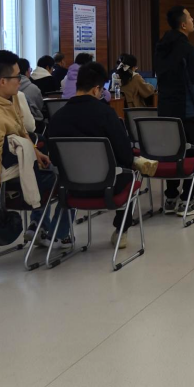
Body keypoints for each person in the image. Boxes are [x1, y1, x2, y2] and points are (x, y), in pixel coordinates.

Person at [47, 62, 158, 250]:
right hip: (107, 187)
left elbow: (54, 158)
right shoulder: (106, 114)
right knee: (131, 173)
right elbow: (124, 153)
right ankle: (121, 230)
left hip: (69, 189)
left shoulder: (57, 117)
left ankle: (59, 233)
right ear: (96, 89)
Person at [0, 51, 62, 244]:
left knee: (56, 166)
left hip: (24, 168)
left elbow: (21, 131)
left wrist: (36, 152)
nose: (20, 81)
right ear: (2, 81)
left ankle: (40, 228)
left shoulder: (9, 99)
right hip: (14, 182)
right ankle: (52, 232)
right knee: (63, 178)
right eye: (17, 77)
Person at [153, 5, 194, 216]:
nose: (193, 20)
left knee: (172, 154)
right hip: (187, 112)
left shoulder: (161, 47)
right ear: (183, 24)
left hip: (165, 110)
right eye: (191, 17)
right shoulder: (188, 49)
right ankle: (187, 200)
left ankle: (170, 197)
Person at [16, 58, 45, 126]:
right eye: (30, 70)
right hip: (33, 123)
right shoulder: (34, 88)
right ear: (27, 71)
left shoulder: (6, 87)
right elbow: (39, 106)